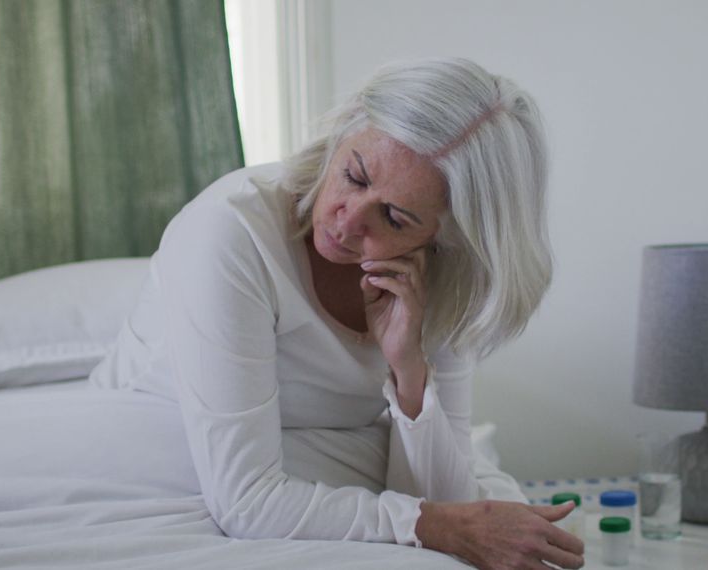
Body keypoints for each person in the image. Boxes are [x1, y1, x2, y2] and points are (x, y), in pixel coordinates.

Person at [90, 57, 584, 569]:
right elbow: (246, 503)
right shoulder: (231, 233)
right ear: (346, 129)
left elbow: (448, 498)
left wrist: (409, 371)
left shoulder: (437, 276)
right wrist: (426, 523)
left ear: (447, 239)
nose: (346, 224)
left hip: (319, 454)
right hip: (161, 432)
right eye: (354, 175)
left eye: (393, 217)